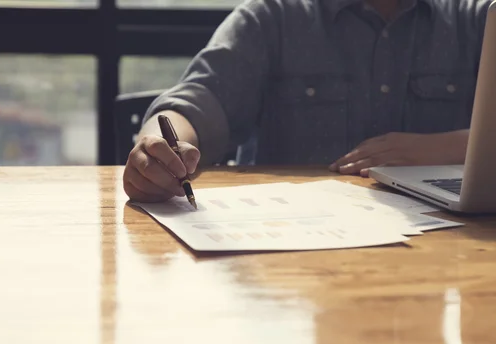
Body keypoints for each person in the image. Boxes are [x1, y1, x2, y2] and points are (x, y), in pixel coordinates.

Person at [123, 0, 491, 203]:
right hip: (295, 257)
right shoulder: (272, 18)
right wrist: (157, 147)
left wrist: (453, 147)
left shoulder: (475, 20)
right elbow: (198, 102)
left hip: (444, 257)